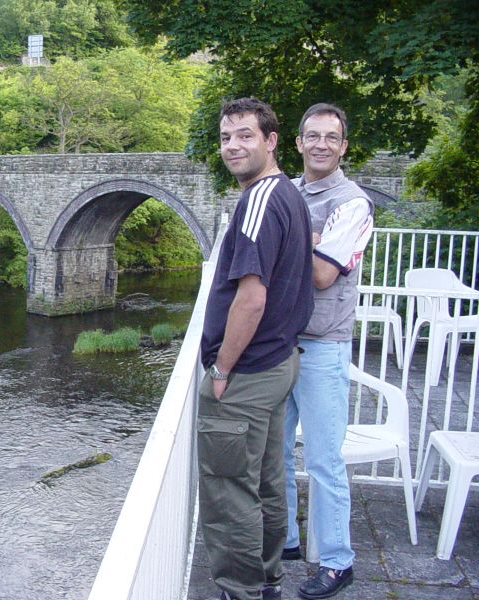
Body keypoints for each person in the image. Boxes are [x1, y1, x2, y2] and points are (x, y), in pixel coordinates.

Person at [198, 97, 313, 600]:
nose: (232, 146)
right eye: (226, 137)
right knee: (266, 481)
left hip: (246, 372)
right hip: (277, 362)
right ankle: (267, 580)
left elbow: (251, 296)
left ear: (271, 141)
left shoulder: (260, 200)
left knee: (229, 491)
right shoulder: (289, 193)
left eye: (245, 135)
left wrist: (222, 368)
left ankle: (239, 589)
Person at [281, 103, 374, 600]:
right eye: (311, 135)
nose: (320, 144)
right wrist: (312, 240)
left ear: (342, 146)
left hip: (322, 347)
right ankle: (288, 543)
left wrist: (294, 242)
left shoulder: (353, 203)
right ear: (297, 142)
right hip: (281, 343)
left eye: (330, 137)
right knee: (274, 454)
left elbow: (321, 275)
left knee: (322, 461)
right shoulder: (290, 191)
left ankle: (338, 562)